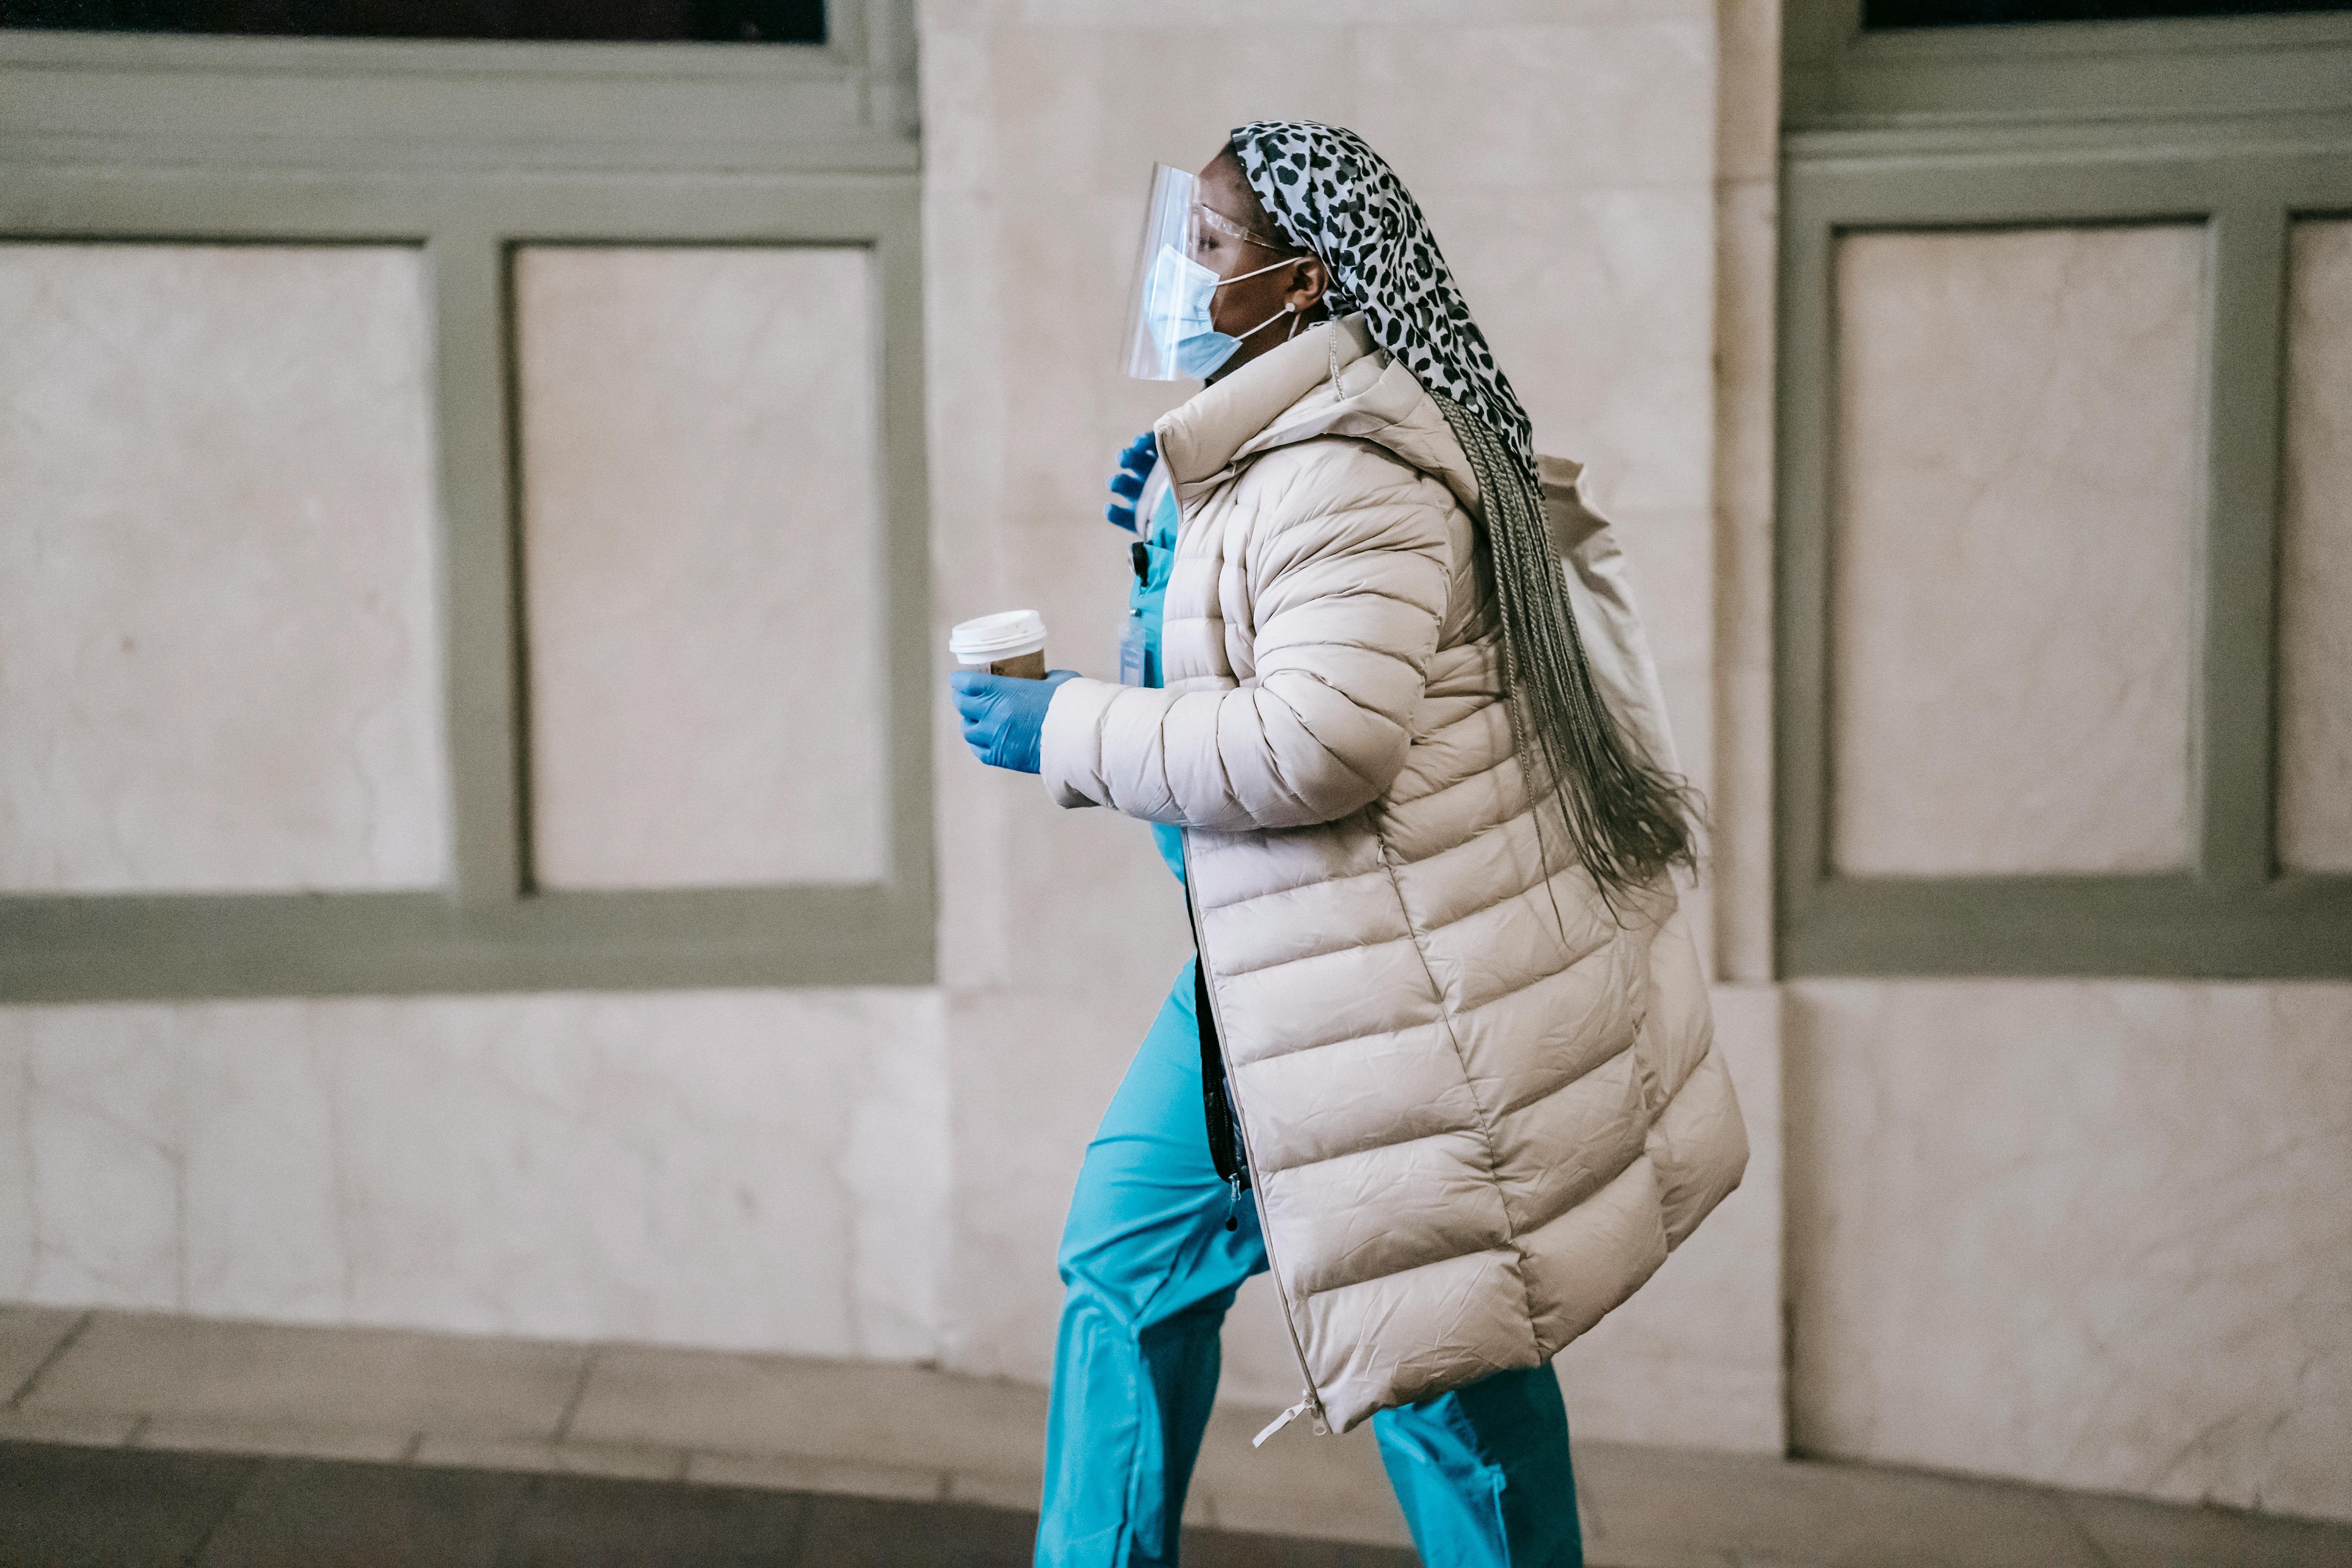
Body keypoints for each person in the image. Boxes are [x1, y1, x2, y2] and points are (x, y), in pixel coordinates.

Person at [951, 123, 1749, 1568]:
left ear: (1302, 281)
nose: (1180, 274)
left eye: (1211, 248)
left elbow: (1320, 745)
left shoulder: (1349, 472)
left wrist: (1060, 726)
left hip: (1394, 999)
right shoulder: (1274, 455)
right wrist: (1166, 559)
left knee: (1446, 1377)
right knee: (1132, 1277)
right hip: (1275, 982)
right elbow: (1246, 697)